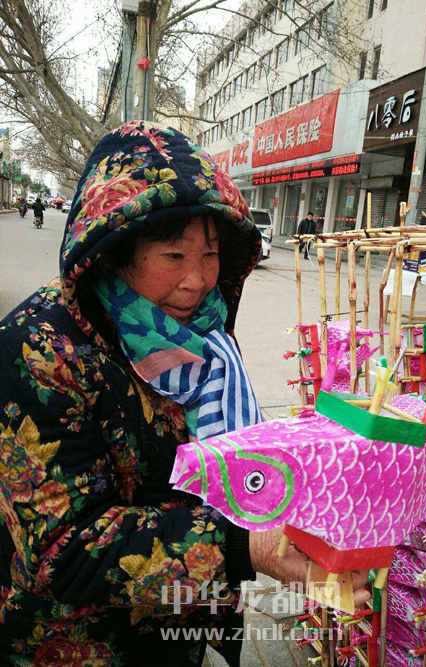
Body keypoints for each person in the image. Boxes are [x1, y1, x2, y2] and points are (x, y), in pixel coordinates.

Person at [0, 121, 369, 666]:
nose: (197, 280)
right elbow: (64, 548)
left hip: (186, 624)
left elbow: (237, 455)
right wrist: (245, 546)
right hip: (83, 646)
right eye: (174, 256)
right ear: (114, 250)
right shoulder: (37, 350)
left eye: (211, 253)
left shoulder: (204, 333)